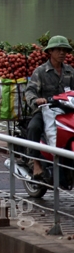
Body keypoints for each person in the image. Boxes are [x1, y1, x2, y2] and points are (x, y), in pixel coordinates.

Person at [25, 35, 74, 182]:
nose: (62, 53)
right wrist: (36, 100)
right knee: (34, 127)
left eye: (64, 50)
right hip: (44, 110)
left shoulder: (70, 71)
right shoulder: (40, 71)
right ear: (50, 52)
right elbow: (30, 91)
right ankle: (35, 162)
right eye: (58, 50)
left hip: (66, 110)